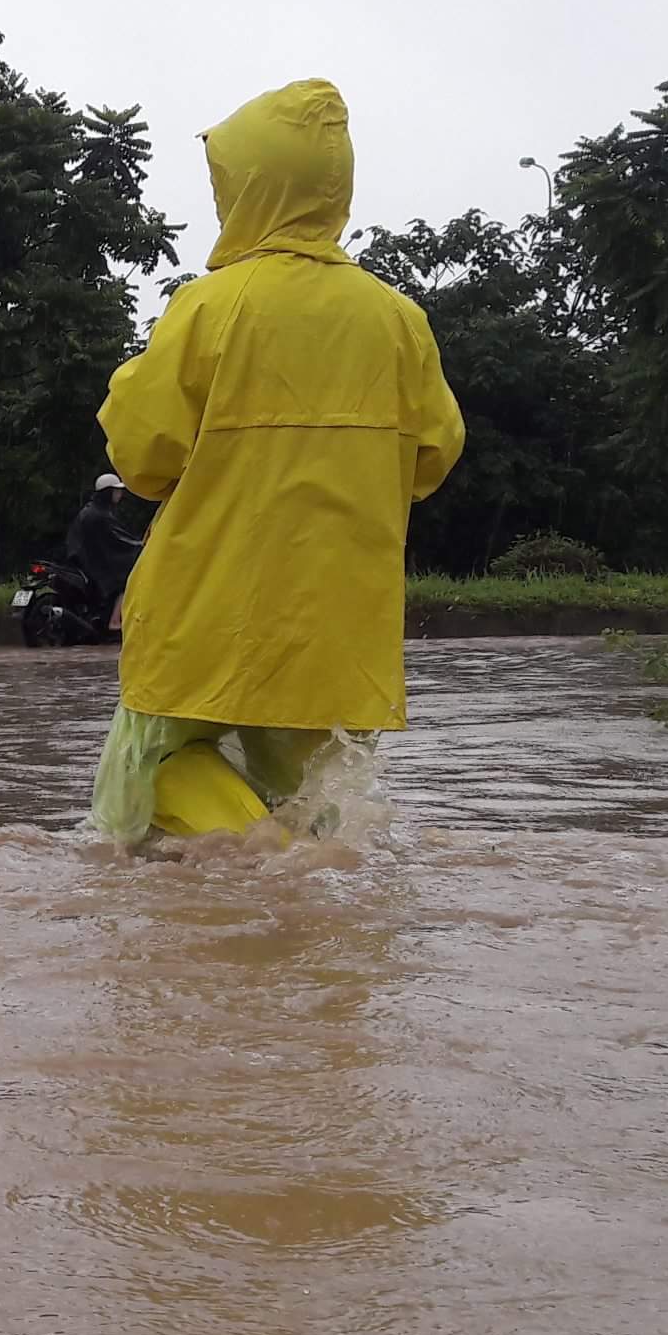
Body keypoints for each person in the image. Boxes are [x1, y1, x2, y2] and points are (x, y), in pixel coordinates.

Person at [88, 80, 463, 845]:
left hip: (205, 611)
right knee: (314, 798)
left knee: (154, 775)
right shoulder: (399, 320)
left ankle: (263, 861)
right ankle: (304, 913)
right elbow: (433, 459)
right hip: (336, 623)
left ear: (251, 188)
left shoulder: (210, 305)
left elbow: (142, 459)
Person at [64, 473, 146, 629]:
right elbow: (118, 539)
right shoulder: (99, 515)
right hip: (93, 562)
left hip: (82, 559)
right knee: (126, 579)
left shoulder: (92, 511)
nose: (120, 494)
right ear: (108, 492)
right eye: (116, 491)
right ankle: (116, 621)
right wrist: (140, 545)